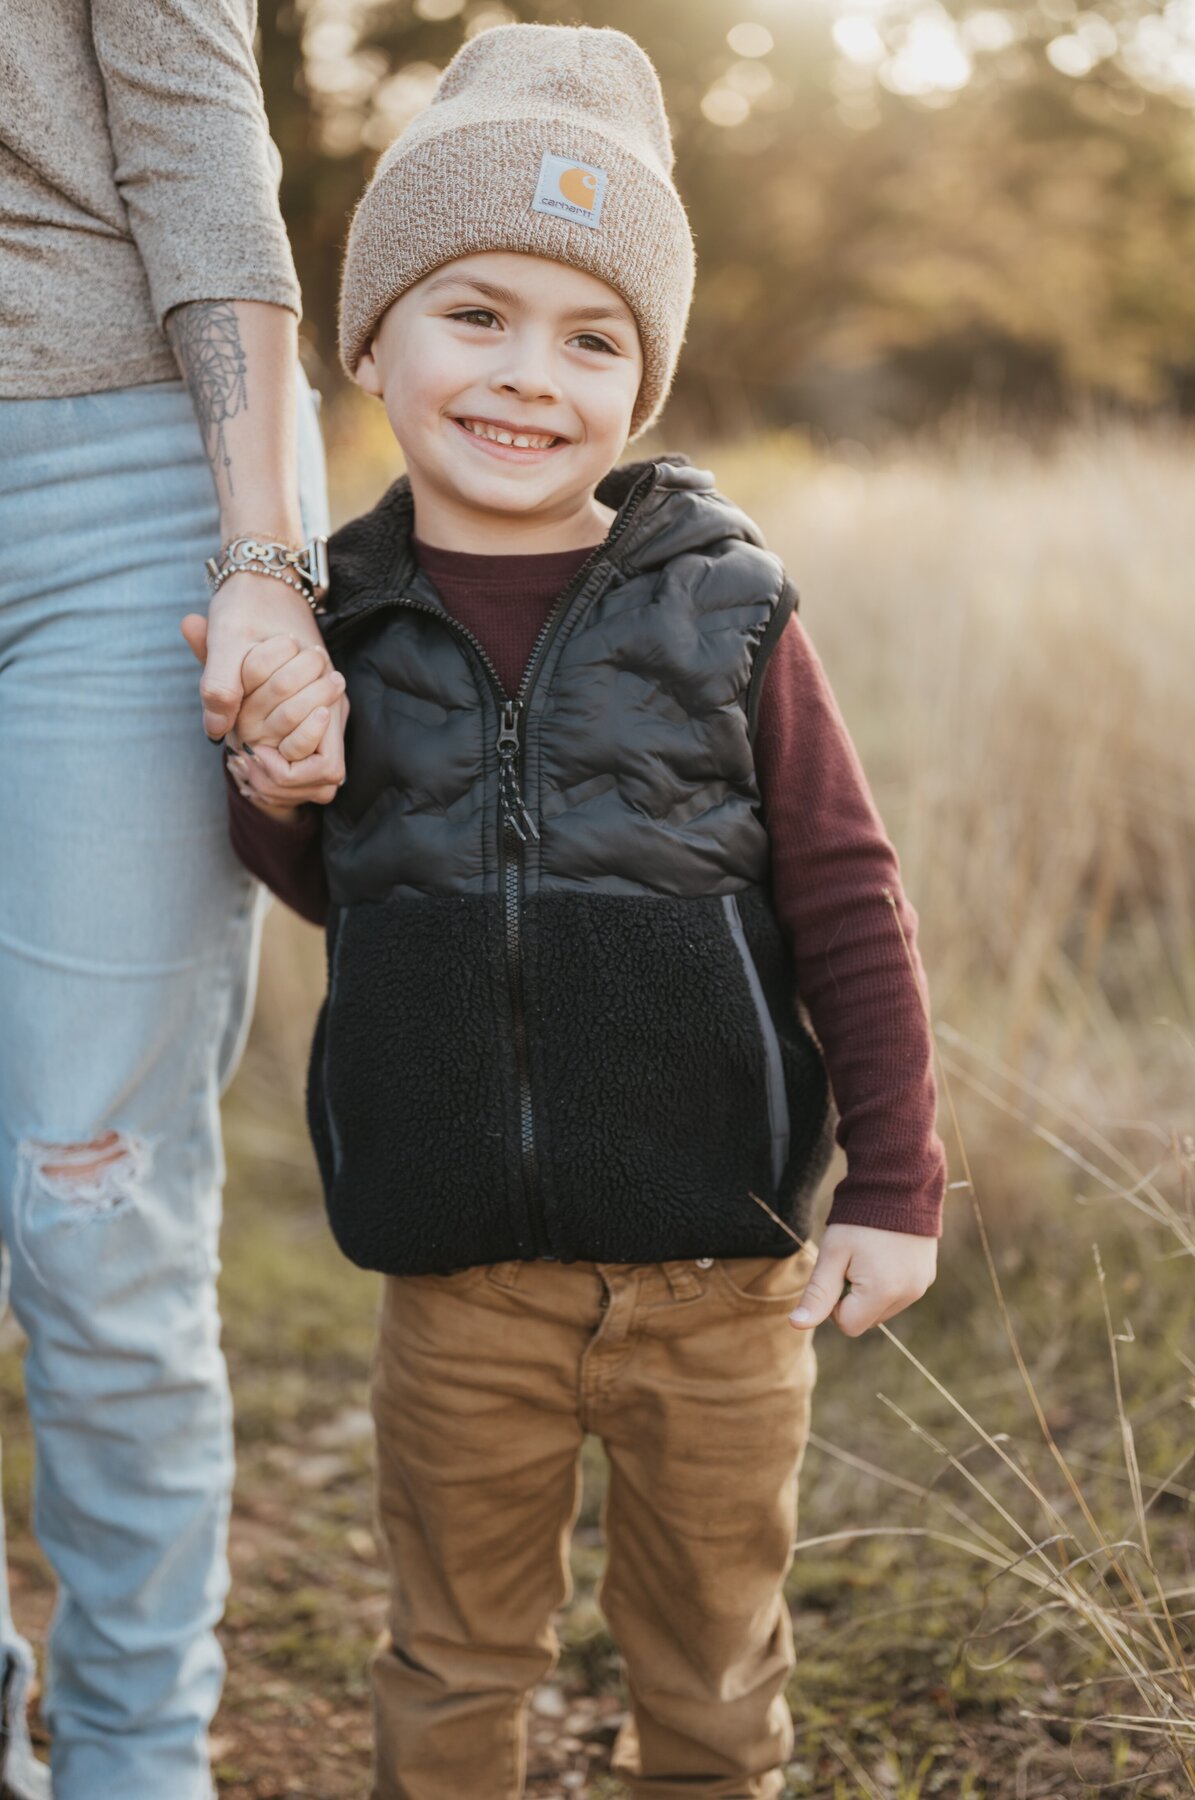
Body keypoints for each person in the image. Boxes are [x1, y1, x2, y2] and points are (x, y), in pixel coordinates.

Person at [223, 23, 945, 1800]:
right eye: (475, 313)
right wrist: (273, 793)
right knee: (455, 1650)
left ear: (645, 383)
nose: (529, 374)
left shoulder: (730, 608)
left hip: (721, 1279)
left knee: (709, 1658)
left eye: (592, 335)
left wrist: (902, 1184)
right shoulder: (341, 616)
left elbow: (850, 893)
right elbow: (347, 889)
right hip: (459, 1279)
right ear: (371, 335)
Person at [0, 3, 335, 1795]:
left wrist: (262, 554)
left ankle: (135, 1755)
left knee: (92, 1204)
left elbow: (205, 152)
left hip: (116, 482)